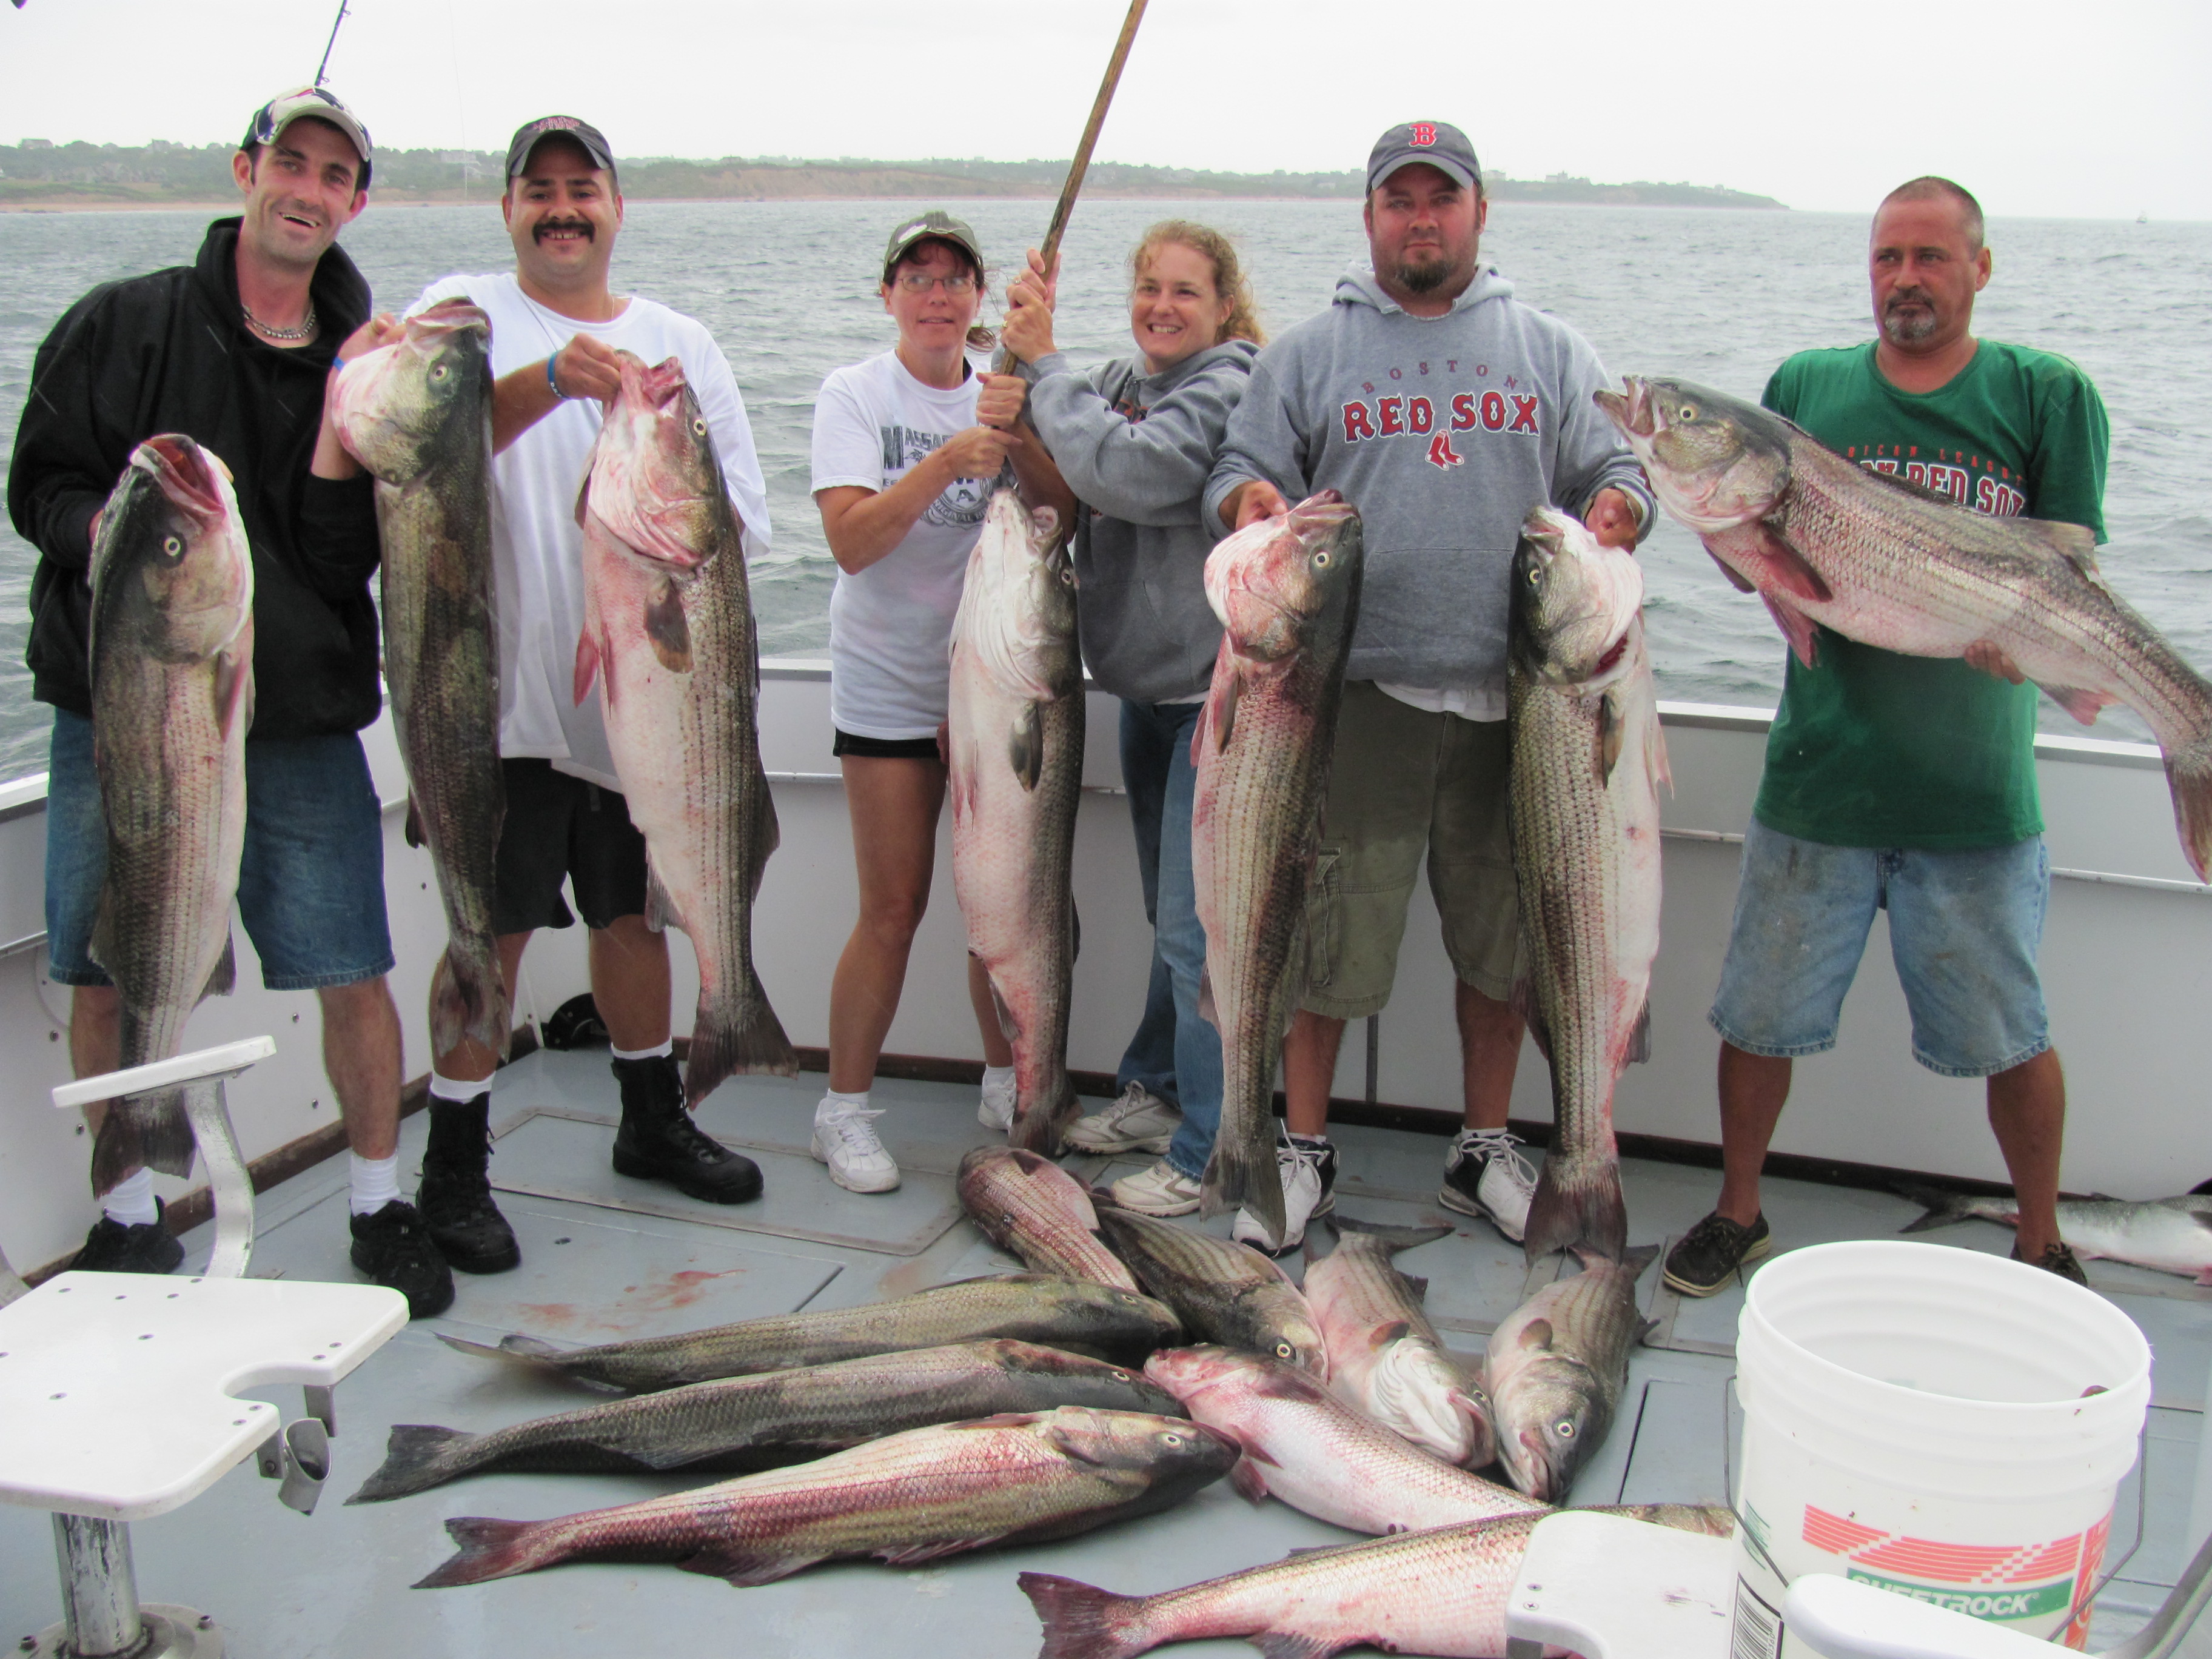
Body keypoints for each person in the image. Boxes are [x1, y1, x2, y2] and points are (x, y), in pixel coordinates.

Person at [5, 88, 452, 1313]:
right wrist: (106, 530)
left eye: (335, 175)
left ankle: (378, 1201)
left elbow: (336, 549)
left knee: (350, 964)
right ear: (246, 170)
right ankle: (128, 1212)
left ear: (358, 201)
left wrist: (338, 438)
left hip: (298, 715)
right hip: (127, 709)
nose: (307, 190)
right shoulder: (124, 323)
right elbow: (37, 480)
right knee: (113, 968)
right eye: (289, 163)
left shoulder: (365, 366)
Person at [1204, 121, 1651, 1252]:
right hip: (1352, 704)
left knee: (1504, 949)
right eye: (1398, 200)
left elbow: (1618, 466)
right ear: (1369, 219)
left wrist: (1620, 511)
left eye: (1439, 199)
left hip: (1528, 710)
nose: (1420, 218)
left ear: (1479, 211)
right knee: (1320, 937)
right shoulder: (1308, 353)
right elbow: (1238, 464)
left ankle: (1484, 1147)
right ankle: (1299, 1149)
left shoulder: (1549, 349)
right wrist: (1252, 502)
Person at [1662, 176, 2105, 1298]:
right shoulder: (1805, 389)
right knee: (1757, 1018)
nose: (1904, 279)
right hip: (1821, 780)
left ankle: (2043, 1235)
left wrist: (2032, 642)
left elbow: (2072, 574)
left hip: (1974, 796)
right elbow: (1759, 562)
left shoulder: (2046, 393)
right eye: (1885, 259)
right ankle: (1739, 1209)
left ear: (1980, 267)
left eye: (1929, 257)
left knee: (2012, 1030)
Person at [389, 116, 774, 1275]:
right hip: (492, 697)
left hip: (641, 705)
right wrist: (550, 380)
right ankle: (453, 1166)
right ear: (508, 208)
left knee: (630, 918)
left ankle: (650, 1117)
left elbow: (740, 519)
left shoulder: (679, 343)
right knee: (488, 937)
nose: (563, 209)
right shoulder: (458, 314)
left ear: (617, 207)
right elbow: (412, 441)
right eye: (539, 190)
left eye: (583, 189)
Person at [996, 221, 1263, 1213]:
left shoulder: (1229, 388)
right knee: (1169, 920)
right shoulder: (1117, 382)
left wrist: (1046, 359)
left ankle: (1208, 1150)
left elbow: (1132, 474)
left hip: (1217, 706)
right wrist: (1017, 388)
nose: (1163, 305)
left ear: (1225, 308)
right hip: (1141, 697)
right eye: (1149, 286)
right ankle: (1156, 1089)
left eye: (1186, 291)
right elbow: (1066, 463)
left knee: (1200, 936)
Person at [809, 210, 1056, 1194]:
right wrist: (946, 463)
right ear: (889, 296)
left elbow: (1057, 518)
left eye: (956, 279)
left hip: (992, 689)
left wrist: (1024, 427)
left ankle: (1006, 1079)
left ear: (979, 299)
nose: (937, 294)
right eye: (917, 277)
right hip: (887, 686)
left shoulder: (1003, 394)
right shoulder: (854, 395)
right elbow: (852, 542)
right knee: (895, 907)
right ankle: (842, 1111)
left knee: (1000, 907)